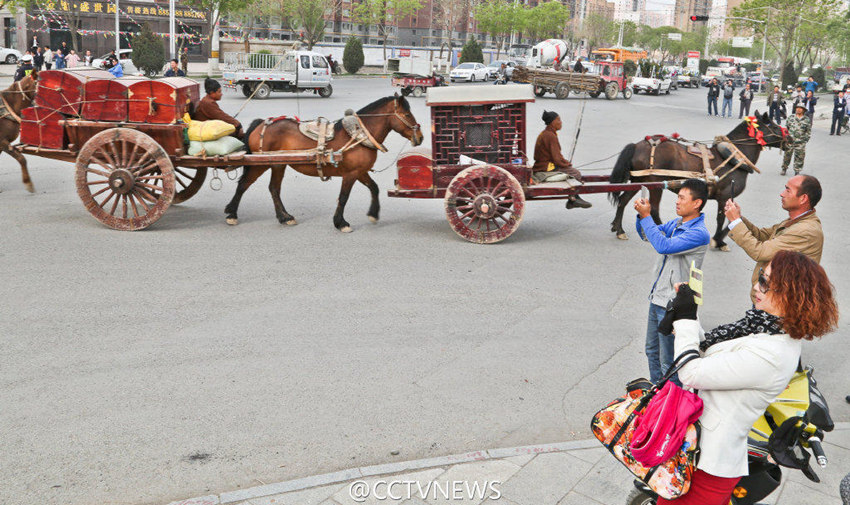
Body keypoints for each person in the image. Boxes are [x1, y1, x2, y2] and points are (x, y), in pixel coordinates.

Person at [656, 250, 838, 505]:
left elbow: (691, 372)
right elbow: (707, 353)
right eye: (760, 277)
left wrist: (685, 319)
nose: (756, 286)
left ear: (790, 294)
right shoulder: (765, 328)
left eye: (765, 282)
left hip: (709, 466)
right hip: (695, 452)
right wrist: (690, 311)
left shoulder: (773, 353)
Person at [634, 179, 711, 386]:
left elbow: (663, 245)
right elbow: (647, 235)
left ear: (697, 203)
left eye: (682, 198)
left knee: (669, 360)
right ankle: (656, 397)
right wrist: (640, 216)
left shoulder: (698, 233)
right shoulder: (676, 224)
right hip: (658, 297)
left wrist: (647, 216)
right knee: (652, 350)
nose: (677, 202)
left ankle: (671, 402)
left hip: (675, 304)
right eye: (677, 197)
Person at [724, 174, 823, 304]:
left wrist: (736, 222)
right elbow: (762, 236)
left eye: (788, 190)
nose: (782, 194)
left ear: (803, 198)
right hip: (770, 298)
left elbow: (760, 252)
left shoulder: (804, 231)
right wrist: (738, 218)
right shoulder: (795, 222)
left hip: (781, 304)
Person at [531, 110, 592, 208]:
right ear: (552, 122)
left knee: (571, 170)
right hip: (546, 167)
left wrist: (565, 163)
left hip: (541, 165)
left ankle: (574, 198)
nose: (561, 122)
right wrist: (567, 165)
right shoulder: (550, 136)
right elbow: (557, 159)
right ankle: (573, 199)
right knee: (576, 173)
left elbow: (556, 156)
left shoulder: (545, 133)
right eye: (558, 120)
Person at [778, 104, 812, 175]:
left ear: (803, 110)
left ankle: (797, 171)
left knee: (799, 157)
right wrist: (786, 138)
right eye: (797, 108)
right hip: (790, 141)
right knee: (787, 156)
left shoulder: (807, 120)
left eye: (800, 108)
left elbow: (808, 131)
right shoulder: (791, 117)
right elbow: (787, 128)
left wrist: (804, 140)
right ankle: (784, 168)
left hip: (800, 142)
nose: (798, 109)